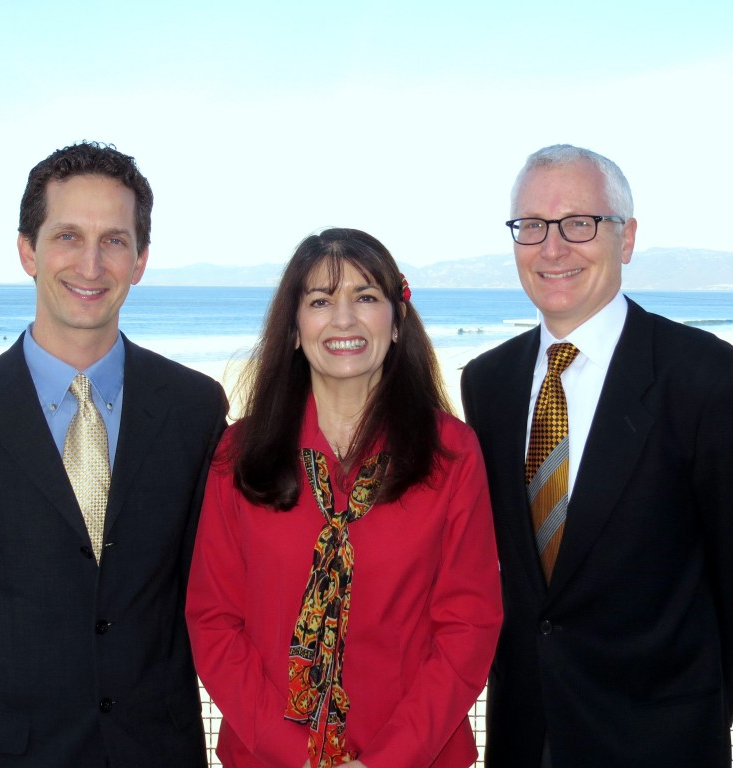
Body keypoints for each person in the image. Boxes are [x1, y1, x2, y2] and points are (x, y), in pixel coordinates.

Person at [0, 141, 227, 767]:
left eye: (115, 240)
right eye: (68, 235)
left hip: (156, 752)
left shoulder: (195, 409)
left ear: (142, 260)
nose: (91, 264)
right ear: (28, 251)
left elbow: (204, 590)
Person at [461, 144, 733, 768]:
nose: (552, 248)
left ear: (627, 238)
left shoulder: (711, 382)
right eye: (531, 226)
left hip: (659, 742)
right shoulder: (488, 383)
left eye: (578, 223)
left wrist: (693, 711)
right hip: (523, 737)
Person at [186, 228, 502, 768]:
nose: (343, 319)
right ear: (293, 328)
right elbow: (214, 622)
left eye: (365, 297)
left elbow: (469, 627)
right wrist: (300, 757)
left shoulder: (452, 453)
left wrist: (387, 760)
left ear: (398, 322)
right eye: (320, 301)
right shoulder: (238, 454)